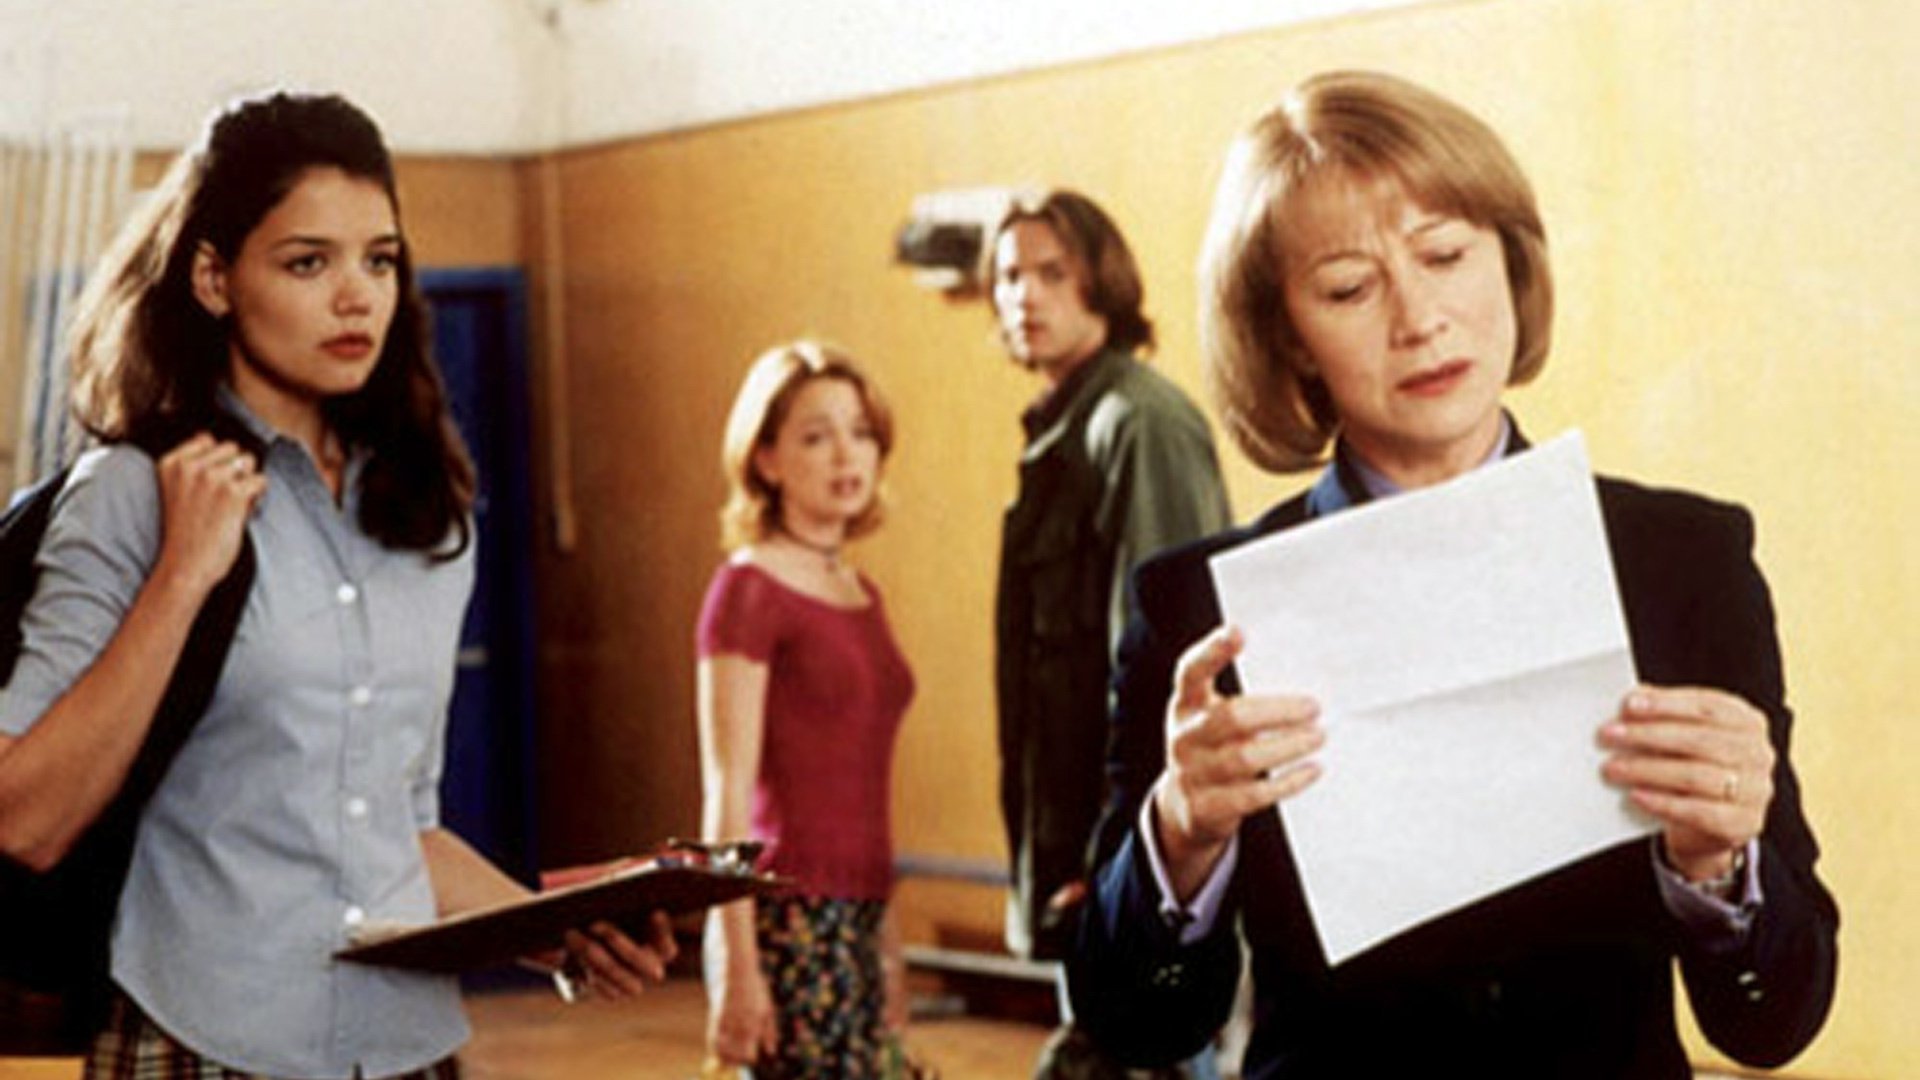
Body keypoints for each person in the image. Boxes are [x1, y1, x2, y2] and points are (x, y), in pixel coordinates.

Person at [1069, 70, 1839, 1078]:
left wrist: (1719, 866)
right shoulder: (1196, 610)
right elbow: (1137, 1025)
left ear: (1512, 268)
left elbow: (1773, 1024)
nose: (1420, 317)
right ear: (1287, 338)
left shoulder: (1684, 560)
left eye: (1444, 254)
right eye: (1349, 287)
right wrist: (1180, 834)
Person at [0, 91, 676, 1078]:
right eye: (307, 262)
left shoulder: (428, 513)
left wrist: (556, 930)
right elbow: (25, 816)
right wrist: (182, 579)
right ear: (214, 277)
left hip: (407, 1050)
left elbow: (401, 831)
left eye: (380, 259)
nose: (356, 295)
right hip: (200, 1039)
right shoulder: (136, 493)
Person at [987, 189, 1234, 1077]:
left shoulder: (1138, 424)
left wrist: (1125, 846)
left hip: (1135, 861)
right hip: (1077, 854)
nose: (1025, 295)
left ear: (1105, 280)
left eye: (1053, 272)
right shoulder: (1064, 429)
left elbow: (1173, 665)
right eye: (1009, 275)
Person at [696, 342, 917, 1078]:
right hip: (787, 919)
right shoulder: (748, 590)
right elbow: (725, 793)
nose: (844, 453)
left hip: (861, 913)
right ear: (765, 458)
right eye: (815, 436)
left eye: (859, 431)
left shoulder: (862, 591)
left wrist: (888, 944)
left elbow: (865, 787)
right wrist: (736, 964)